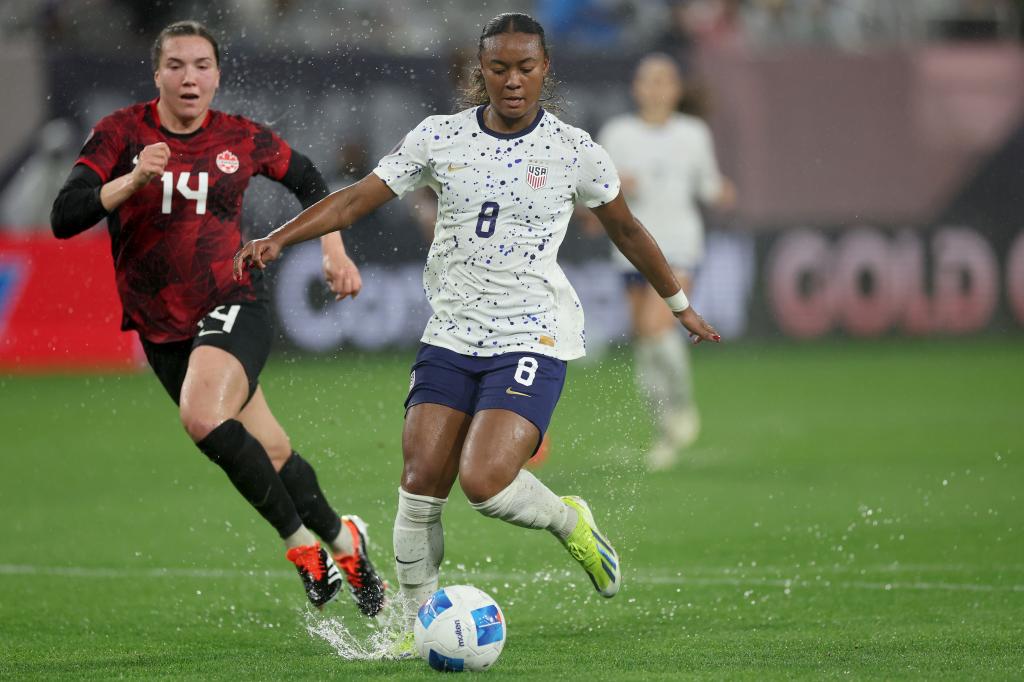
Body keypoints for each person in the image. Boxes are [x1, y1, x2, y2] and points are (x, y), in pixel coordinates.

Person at [233, 12, 719, 653]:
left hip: (531, 334)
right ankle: (415, 627)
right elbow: (356, 199)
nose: (512, 80)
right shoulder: (439, 138)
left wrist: (678, 302)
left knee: (486, 482)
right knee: (418, 483)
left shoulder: (574, 150)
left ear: (545, 70)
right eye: (498, 68)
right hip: (452, 335)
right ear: (479, 73)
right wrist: (278, 237)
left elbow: (627, 230)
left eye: (525, 68)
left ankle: (570, 522)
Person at [49, 20, 385, 614]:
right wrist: (133, 179)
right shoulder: (122, 133)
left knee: (202, 416)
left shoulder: (242, 137)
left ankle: (304, 550)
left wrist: (333, 249)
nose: (189, 77)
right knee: (272, 452)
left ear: (217, 75)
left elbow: (310, 181)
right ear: (156, 74)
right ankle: (343, 540)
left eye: (201, 65)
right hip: (160, 327)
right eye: (175, 65)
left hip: (232, 300)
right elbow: (65, 215)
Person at [597, 53, 736, 471]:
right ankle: (664, 434)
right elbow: (596, 187)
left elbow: (709, 186)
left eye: (664, 81)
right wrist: (618, 188)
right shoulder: (617, 133)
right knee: (646, 342)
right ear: (636, 88)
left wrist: (722, 192)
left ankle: (681, 406)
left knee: (658, 329)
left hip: (678, 245)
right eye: (648, 81)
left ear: (676, 90)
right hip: (630, 246)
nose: (656, 89)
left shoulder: (693, 134)